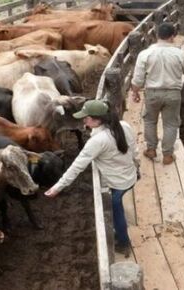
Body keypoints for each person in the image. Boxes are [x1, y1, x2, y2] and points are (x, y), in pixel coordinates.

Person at [44, 99, 138, 256]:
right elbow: (134, 149)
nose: (83, 120)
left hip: (117, 183)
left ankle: (124, 243)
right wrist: (137, 165)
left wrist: (57, 187)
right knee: (117, 208)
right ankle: (120, 237)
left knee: (117, 212)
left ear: (97, 120)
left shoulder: (97, 141)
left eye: (86, 118)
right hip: (130, 176)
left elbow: (77, 167)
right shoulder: (124, 126)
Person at [130, 22, 184, 165]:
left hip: (152, 93)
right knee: (171, 124)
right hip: (173, 94)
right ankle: (167, 155)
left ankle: (151, 149)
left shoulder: (145, 54)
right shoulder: (180, 54)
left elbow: (138, 78)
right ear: (173, 36)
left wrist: (135, 92)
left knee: (150, 121)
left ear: (157, 35)